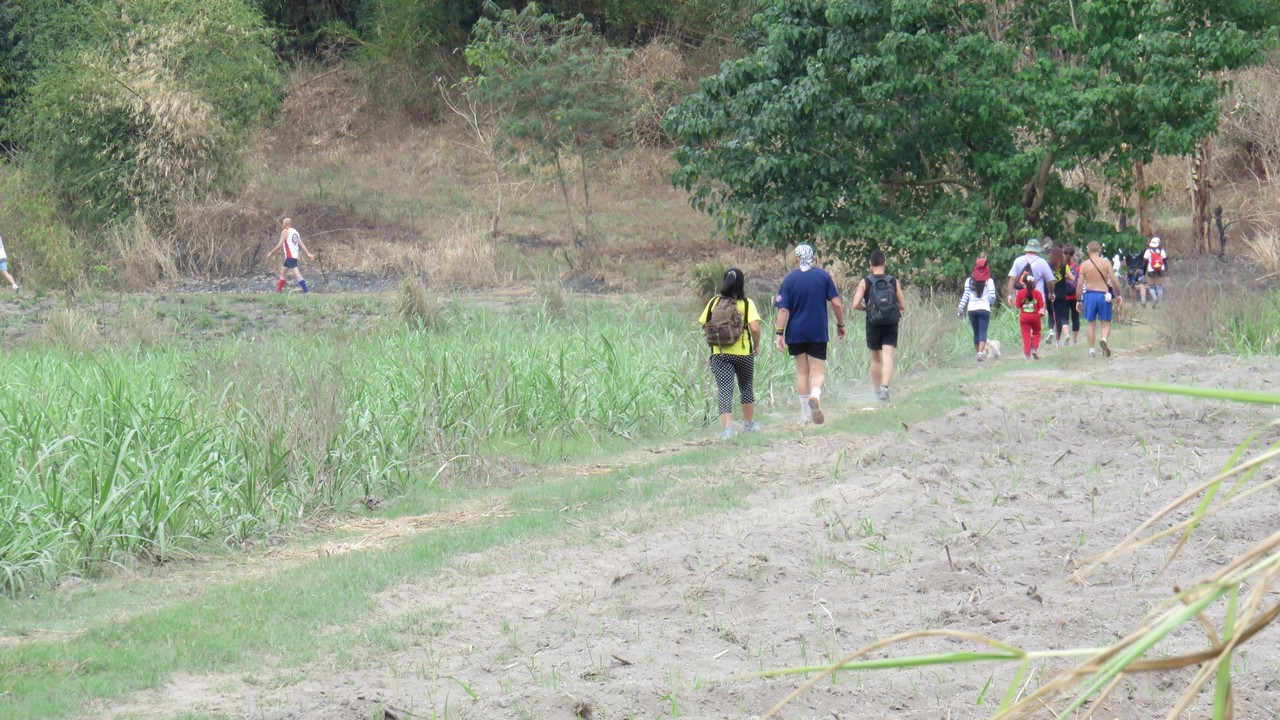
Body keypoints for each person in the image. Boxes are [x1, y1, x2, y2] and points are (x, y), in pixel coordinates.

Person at [774, 244, 846, 423]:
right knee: (818, 372)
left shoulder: (789, 279)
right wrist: (840, 324)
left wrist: (779, 334)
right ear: (814, 258)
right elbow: (837, 304)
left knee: (802, 373)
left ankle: (806, 416)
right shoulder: (823, 276)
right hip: (817, 331)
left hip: (796, 332)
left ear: (796, 259)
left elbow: (783, 310)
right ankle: (815, 395)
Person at [699, 268, 762, 440]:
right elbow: (755, 329)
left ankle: (727, 430)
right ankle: (748, 424)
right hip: (743, 353)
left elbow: (703, 323)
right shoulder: (747, 303)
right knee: (746, 387)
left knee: (725, 390)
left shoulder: (714, 302)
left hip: (720, 353)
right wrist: (756, 345)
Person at [849, 249, 906, 402]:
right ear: (885, 263)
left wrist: (866, 308)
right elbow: (902, 305)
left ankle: (876, 391)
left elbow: (855, 304)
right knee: (888, 357)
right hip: (890, 323)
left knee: (875, 359)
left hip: (873, 323)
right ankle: (885, 388)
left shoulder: (865, 282)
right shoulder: (893, 281)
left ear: (870, 264)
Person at [1076, 240, 1124, 358]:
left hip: (1090, 294)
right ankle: (1103, 339)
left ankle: (1092, 350)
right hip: (1104, 295)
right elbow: (1114, 280)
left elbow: (1079, 284)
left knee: (1091, 323)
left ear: (1088, 251)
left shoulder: (1084, 265)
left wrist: (1078, 300)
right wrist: (1118, 294)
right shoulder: (1106, 263)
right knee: (1106, 322)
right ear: (1099, 250)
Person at [956, 256, 996, 361]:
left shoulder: (969, 281)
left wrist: (960, 308)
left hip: (971, 310)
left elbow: (965, 296)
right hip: (984, 308)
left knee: (976, 332)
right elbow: (992, 295)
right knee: (983, 331)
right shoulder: (989, 281)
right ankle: (980, 353)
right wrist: (990, 304)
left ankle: (979, 353)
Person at [1006, 238, 1055, 308]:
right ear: (1037, 250)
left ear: (1027, 249)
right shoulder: (1042, 262)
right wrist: (1051, 293)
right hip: (1038, 298)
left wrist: (1010, 295)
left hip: (1021, 298)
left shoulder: (1018, 261)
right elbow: (1050, 281)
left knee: (1022, 314)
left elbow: (1012, 279)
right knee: (1038, 314)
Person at [271, 218, 315, 294]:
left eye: (283, 223)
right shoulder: (295, 232)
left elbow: (280, 245)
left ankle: (306, 292)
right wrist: (308, 253)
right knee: (282, 272)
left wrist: (271, 252)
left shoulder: (285, 231)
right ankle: (278, 292)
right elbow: (301, 244)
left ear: (286, 224)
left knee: (297, 274)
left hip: (290, 256)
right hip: (294, 256)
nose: (282, 225)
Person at [1014, 265, 1046, 359]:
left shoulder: (1020, 293)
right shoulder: (1038, 293)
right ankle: (1034, 349)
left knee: (1026, 335)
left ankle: (1027, 354)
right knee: (1036, 332)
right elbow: (1041, 306)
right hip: (1035, 316)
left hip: (1024, 316)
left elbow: (1017, 306)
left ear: (1023, 283)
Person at [1047, 246, 1075, 346]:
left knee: (1051, 313)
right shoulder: (1064, 266)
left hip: (1050, 293)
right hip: (1061, 294)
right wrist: (1064, 276)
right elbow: (1072, 278)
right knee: (1059, 316)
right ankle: (1058, 339)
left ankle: (1051, 330)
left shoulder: (1048, 265)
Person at [1059, 245, 1081, 345]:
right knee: (1075, 317)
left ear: (1063, 255)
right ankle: (1074, 340)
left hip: (1064, 295)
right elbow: (1080, 282)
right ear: (1073, 255)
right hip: (1075, 296)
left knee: (1064, 316)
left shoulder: (1061, 267)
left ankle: (1067, 334)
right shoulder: (1078, 267)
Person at [1143, 236, 1168, 307]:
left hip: (1151, 269)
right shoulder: (1161, 251)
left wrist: (1144, 271)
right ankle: (1160, 304)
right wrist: (1166, 271)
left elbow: (1145, 261)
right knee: (1159, 286)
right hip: (1160, 269)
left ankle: (1155, 298)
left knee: (1151, 286)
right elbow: (1164, 261)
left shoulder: (1148, 251)